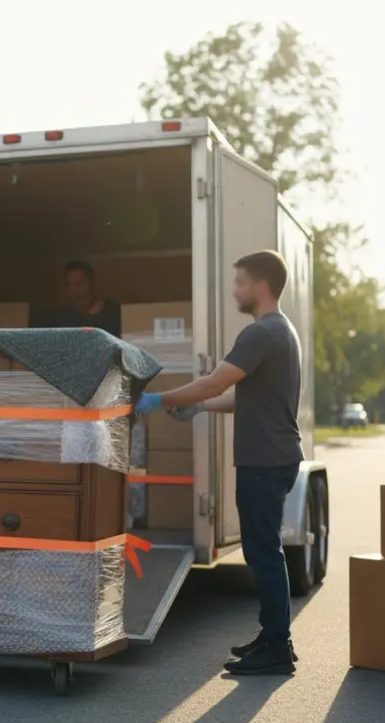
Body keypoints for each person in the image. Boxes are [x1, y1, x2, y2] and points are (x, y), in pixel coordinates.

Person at [134, 249, 304, 676]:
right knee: (264, 552)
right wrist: (202, 409)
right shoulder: (280, 331)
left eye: (240, 282)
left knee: (262, 554)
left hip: (264, 461)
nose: (235, 291)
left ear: (260, 286)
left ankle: (277, 648)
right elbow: (243, 396)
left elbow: (215, 380)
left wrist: (158, 399)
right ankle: (272, 638)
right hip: (274, 456)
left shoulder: (261, 334)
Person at [42, 260, 122, 336]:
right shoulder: (61, 318)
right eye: (71, 283)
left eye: (80, 282)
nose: (76, 287)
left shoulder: (114, 313)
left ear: (90, 281)